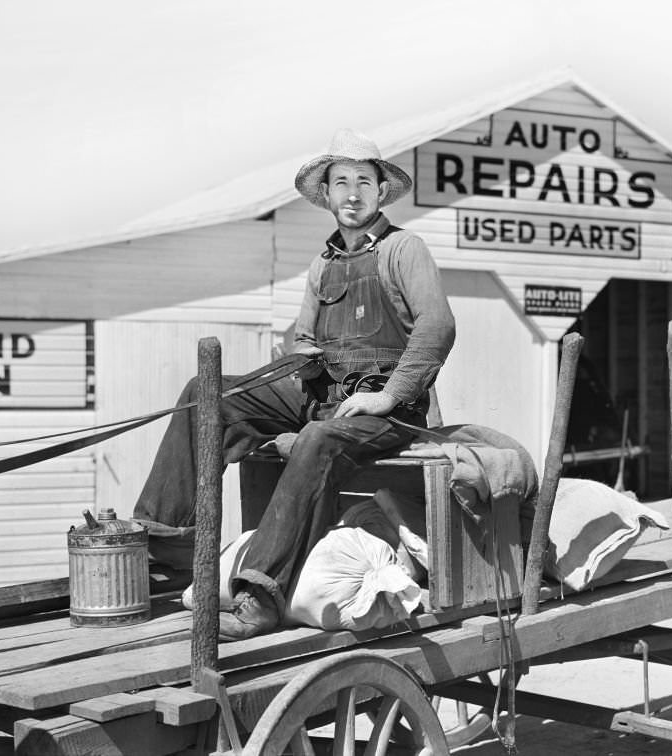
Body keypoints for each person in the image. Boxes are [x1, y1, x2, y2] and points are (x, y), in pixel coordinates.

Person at [131, 128, 456, 639]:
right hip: (321, 397)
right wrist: (295, 360)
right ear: (326, 195)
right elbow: (304, 339)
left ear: (379, 191)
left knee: (317, 439)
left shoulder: (404, 249)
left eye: (364, 182)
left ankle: (259, 595)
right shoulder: (322, 264)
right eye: (342, 182)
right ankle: (165, 546)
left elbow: (437, 327)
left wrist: (389, 395)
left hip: (386, 410)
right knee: (208, 394)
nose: (353, 193)